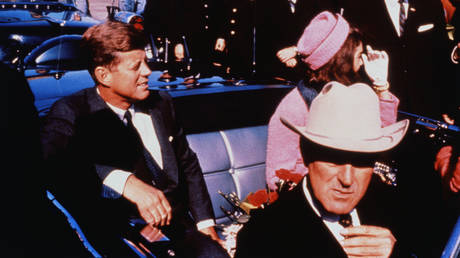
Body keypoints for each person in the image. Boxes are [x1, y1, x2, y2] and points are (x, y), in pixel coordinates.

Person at [40, 21, 228, 258]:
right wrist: (123, 181)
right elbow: (49, 165)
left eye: (146, 62)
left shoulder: (162, 103)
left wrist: (205, 225)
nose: (148, 71)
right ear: (103, 75)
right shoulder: (72, 112)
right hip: (117, 235)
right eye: (136, 66)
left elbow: (188, 164)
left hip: (178, 230)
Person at [235, 81, 414, 258]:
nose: (347, 179)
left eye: (361, 162)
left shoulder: (393, 206)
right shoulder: (263, 237)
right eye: (334, 160)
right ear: (306, 154)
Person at [266, 11, 400, 190]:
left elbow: (380, 139)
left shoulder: (351, 93)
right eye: (359, 55)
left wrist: (381, 86)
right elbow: (278, 177)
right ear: (341, 58)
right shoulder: (295, 107)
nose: (362, 63)